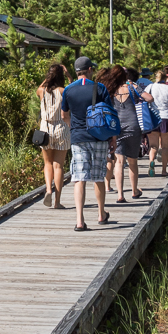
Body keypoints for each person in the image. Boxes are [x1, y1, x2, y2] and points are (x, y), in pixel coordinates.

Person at [61, 56, 113, 231]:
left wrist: (73, 127)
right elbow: (108, 112)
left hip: (78, 137)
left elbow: (64, 115)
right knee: (98, 176)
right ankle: (101, 214)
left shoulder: (68, 90)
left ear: (76, 72)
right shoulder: (99, 88)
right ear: (90, 69)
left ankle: (79, 221)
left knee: (79, 178)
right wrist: (112, 138)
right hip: (98, 136)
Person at [105, 66, 154, 202]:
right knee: (133, 161)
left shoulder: (111, 89)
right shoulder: (132, 87)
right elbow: (150, 98)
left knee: (119, 162)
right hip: (133, 126)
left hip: (117, 127)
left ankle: (120, 195)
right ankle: (134, 190)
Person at [36, 62, 71, 209]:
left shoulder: (41, 91)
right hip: (61, 128)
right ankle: (57, 202)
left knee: (47, 163)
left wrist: (48, 77)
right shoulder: (63, 91)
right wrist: (68, 75)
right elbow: (73, 88)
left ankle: (48, 190)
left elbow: (39, 86)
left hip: (45, 128)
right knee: (59, 166)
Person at [145, 66, 168, 177]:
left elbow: (144, 101)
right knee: (165, 146)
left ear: (155, 78)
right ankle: (164, 170)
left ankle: (151, 162)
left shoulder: (150, 87)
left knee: (153, 146)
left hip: (152, 119)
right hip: (167, 118)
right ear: (165, 78)